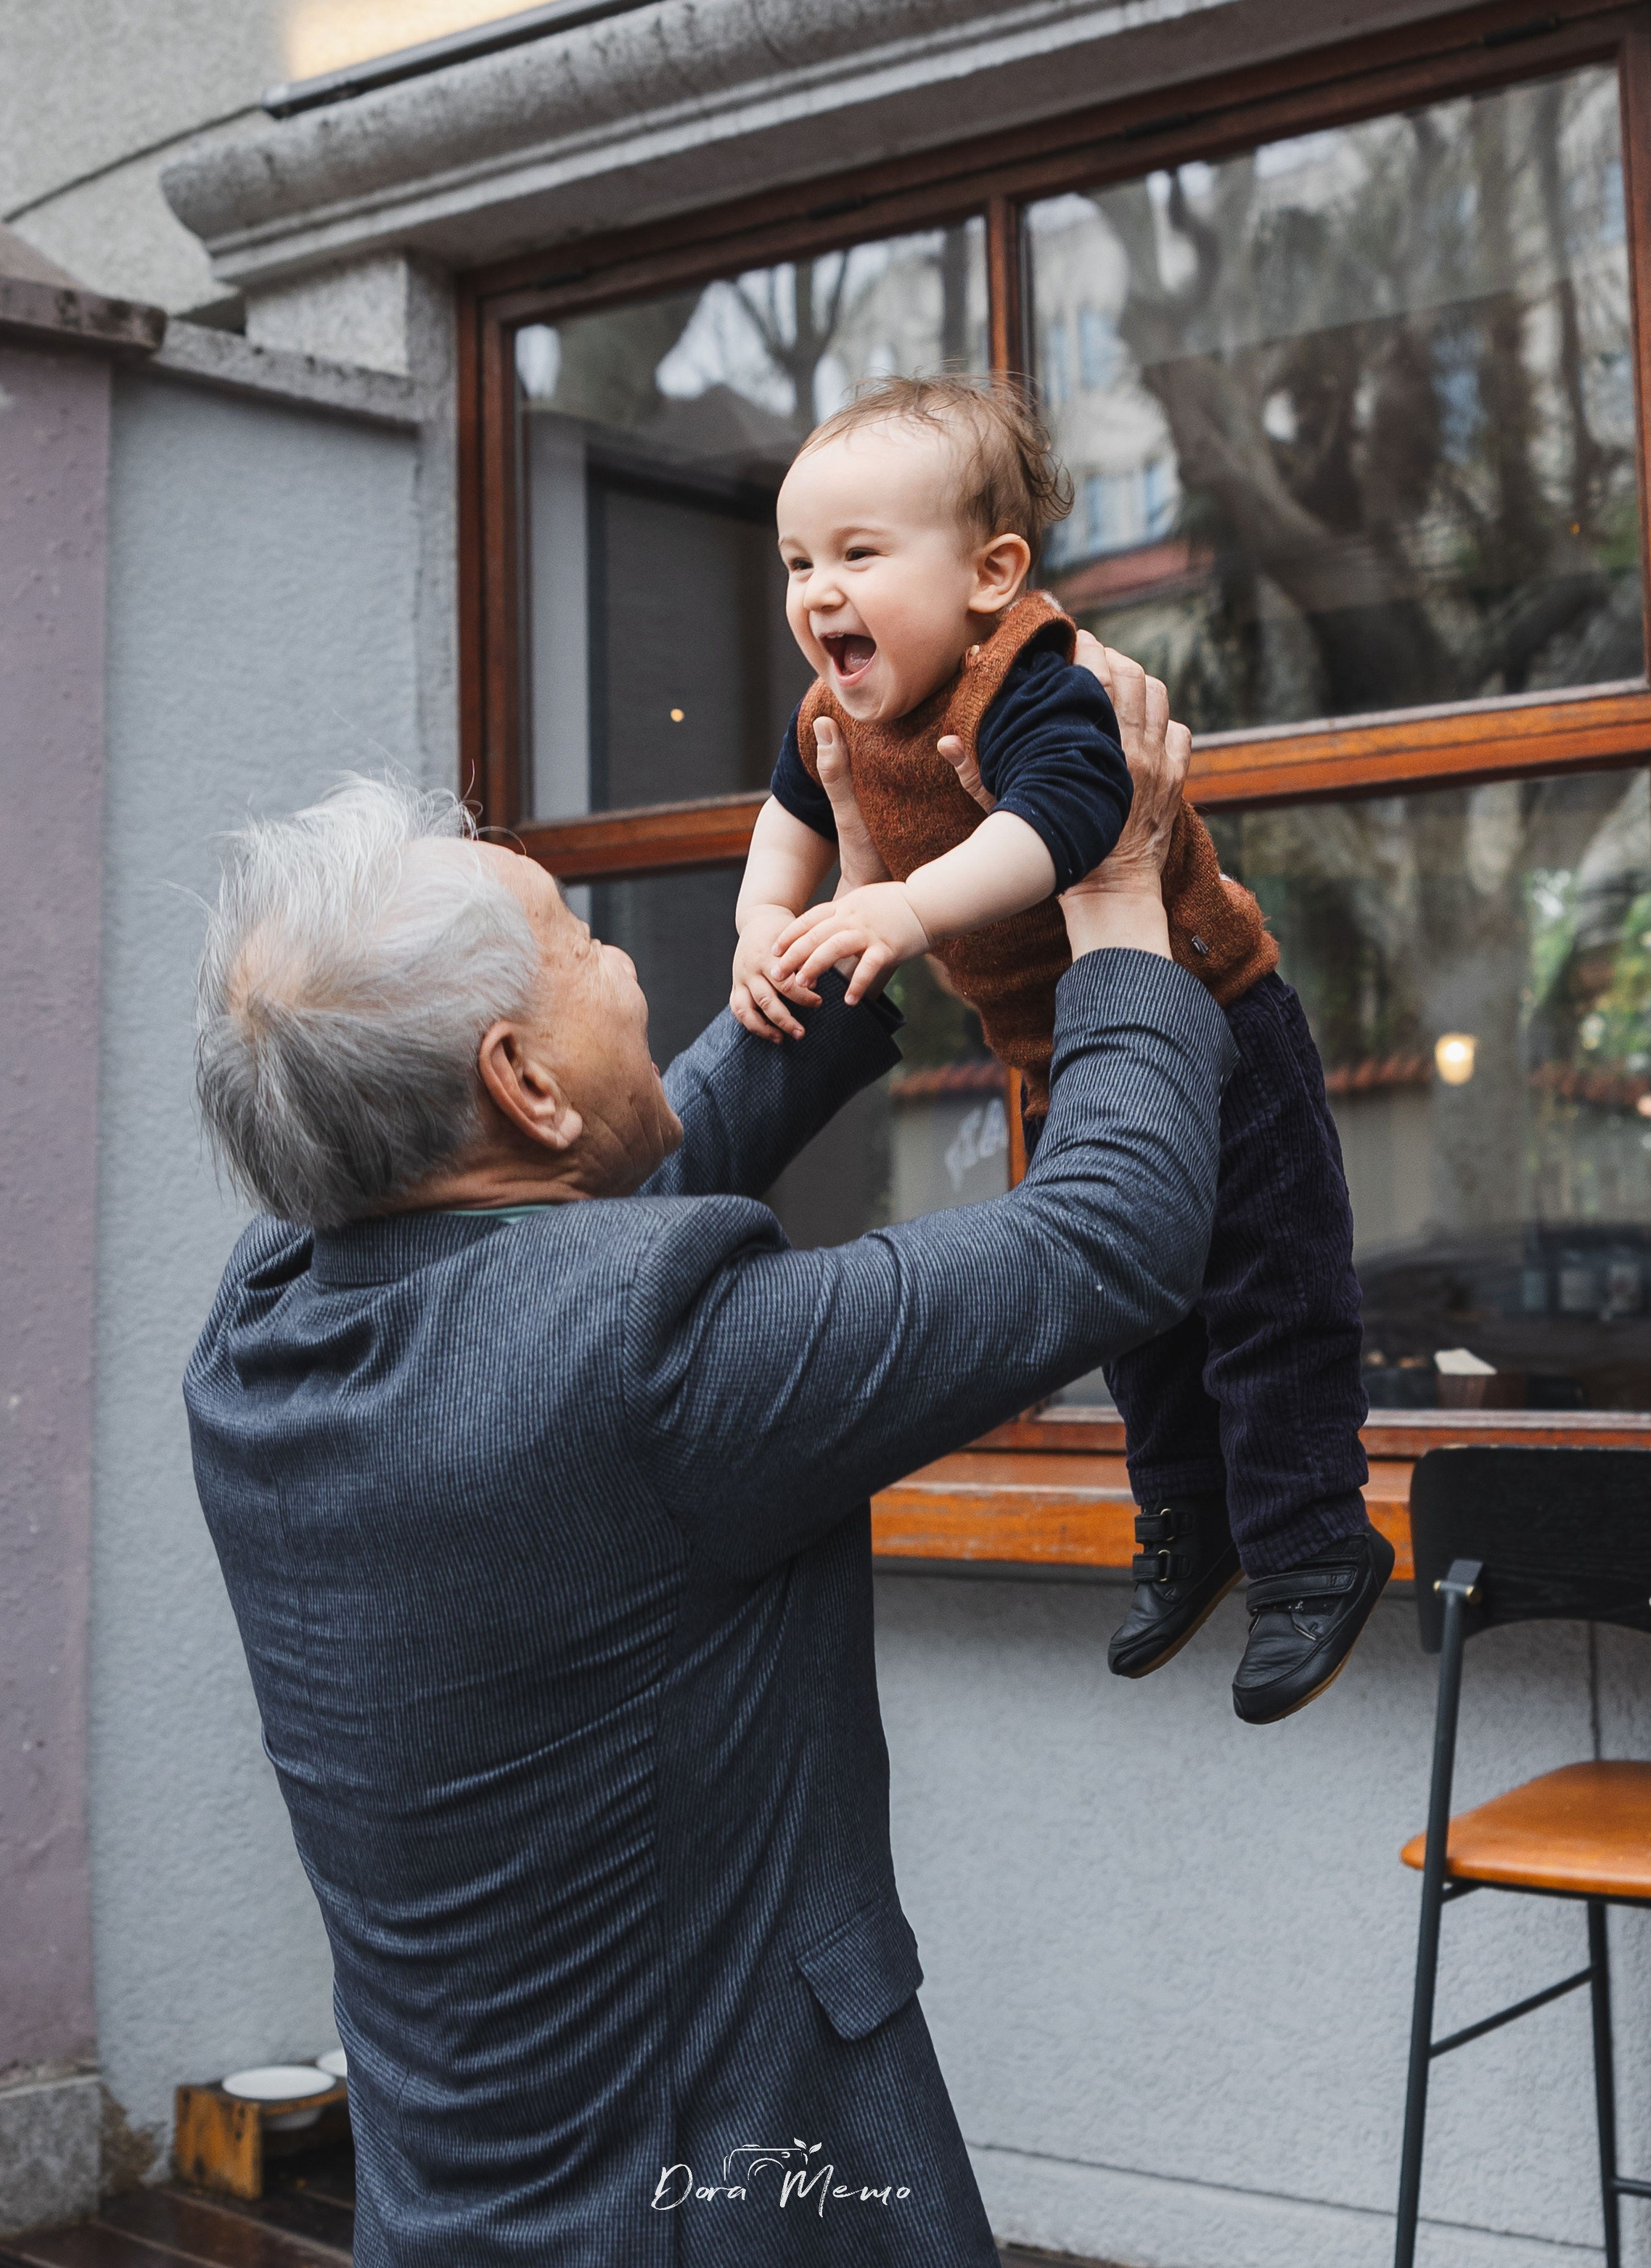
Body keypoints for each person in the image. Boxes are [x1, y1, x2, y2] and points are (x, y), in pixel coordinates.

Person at [184, 658, 1224, 2268]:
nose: (621, 963)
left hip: (448, 2208)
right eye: (580, 943)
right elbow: (1113, 1234)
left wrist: (853, 932)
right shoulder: (642, 1361)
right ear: (521, 1080)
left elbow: (558, 1209)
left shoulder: (257, 1332)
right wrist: (1110, 889)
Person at [731, 375, 1392, 1725]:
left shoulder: (1028, 677)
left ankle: (1314, 1543)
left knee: (1265, 1292)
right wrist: (760, 920)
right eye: (799, 561)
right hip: (1066, 1051)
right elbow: (787, 822)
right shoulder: (839, 712)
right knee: (1134, 1303)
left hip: (1215, 1017)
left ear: (992, 572)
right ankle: (1188, 1519)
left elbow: (1074, 820)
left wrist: (909, 906)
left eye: (858, 554)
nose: (818, 593)